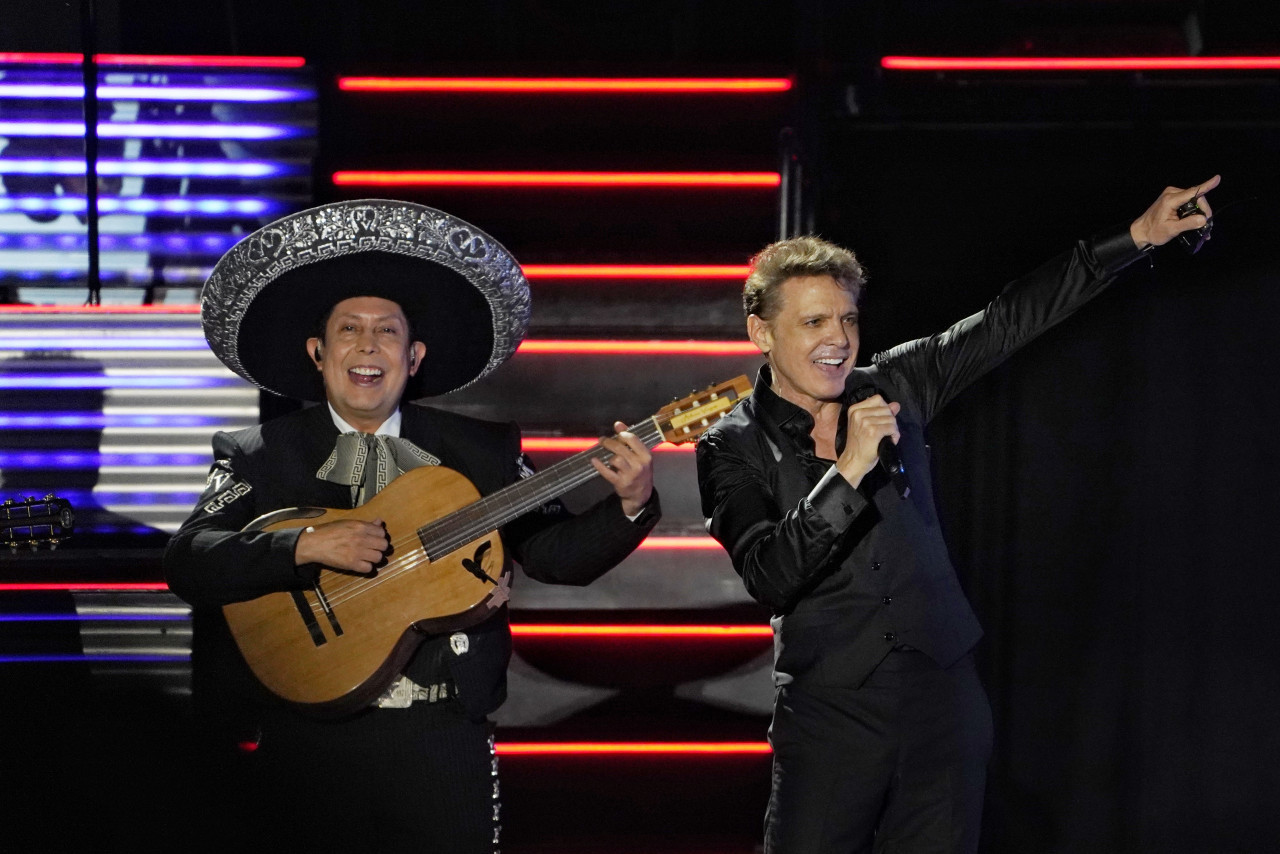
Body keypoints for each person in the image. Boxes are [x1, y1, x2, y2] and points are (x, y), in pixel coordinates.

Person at [695, 176, 1219, 853]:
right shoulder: (731, 444)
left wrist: (1138, 238)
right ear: (761, 331)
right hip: (831, 714)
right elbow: (770, 572)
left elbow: (1008, 320)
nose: (839, 338)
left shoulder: (897, 383)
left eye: (848, 318)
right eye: (814, 322)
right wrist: (849, 468)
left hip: (942, 695)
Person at [164, 200, 660, 853]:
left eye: (388, 331)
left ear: (415, 354)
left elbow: (554, 553)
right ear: (318, 352)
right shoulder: (259, 451)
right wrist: (302, 545)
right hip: (307, 739)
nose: (369, 345)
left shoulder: (482, 450)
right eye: (349, 329)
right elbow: (190, 559)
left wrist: (630, 502)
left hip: (440, 731)